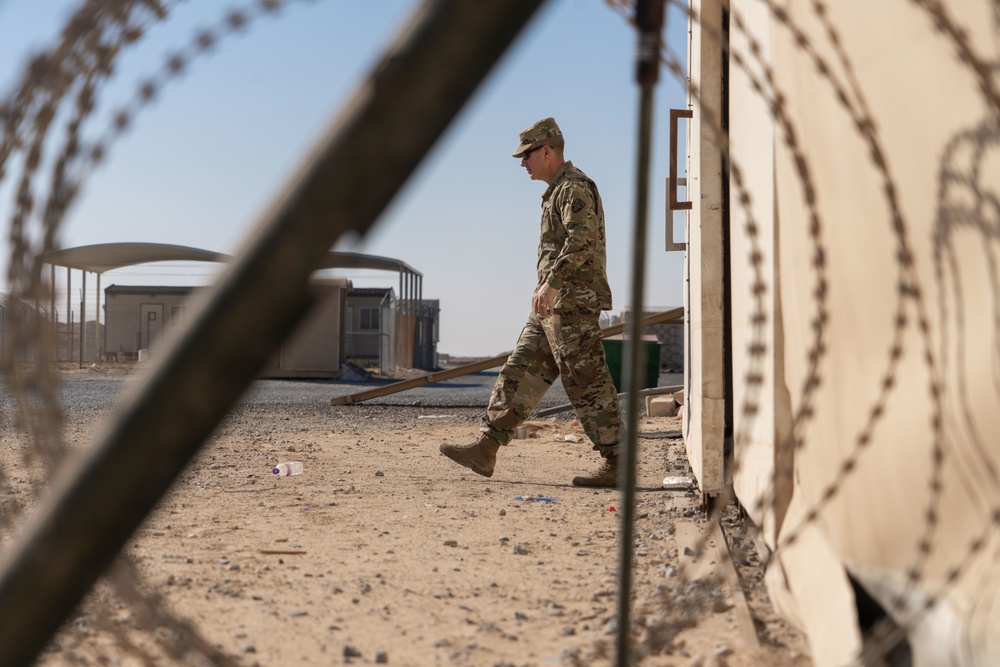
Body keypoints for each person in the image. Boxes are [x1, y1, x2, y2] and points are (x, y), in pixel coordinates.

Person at [440, 117, 622, 487]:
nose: (523, 164)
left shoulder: (574, 188)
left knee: (586, 383)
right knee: (520, 370)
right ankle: (486, 447)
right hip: (550, 308)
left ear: (547, 151)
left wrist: (552, 284)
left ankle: (619, 463)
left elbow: (581, 241)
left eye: (527, 156)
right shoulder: (556, 192)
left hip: (572, 304)